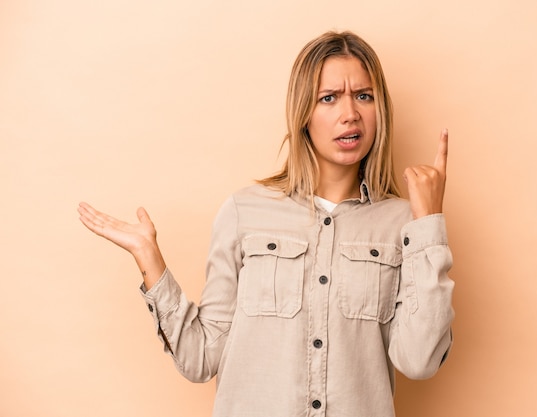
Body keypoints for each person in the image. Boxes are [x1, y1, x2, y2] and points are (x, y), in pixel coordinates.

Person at [78, 30, 454, 417]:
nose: (350, 114)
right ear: (303, 113)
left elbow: (419, 360)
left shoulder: (404, 224)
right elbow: (201, 357)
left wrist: (429, 223)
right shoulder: (245, 212)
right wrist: (150, 260)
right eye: (329, 98)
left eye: (363, 95)